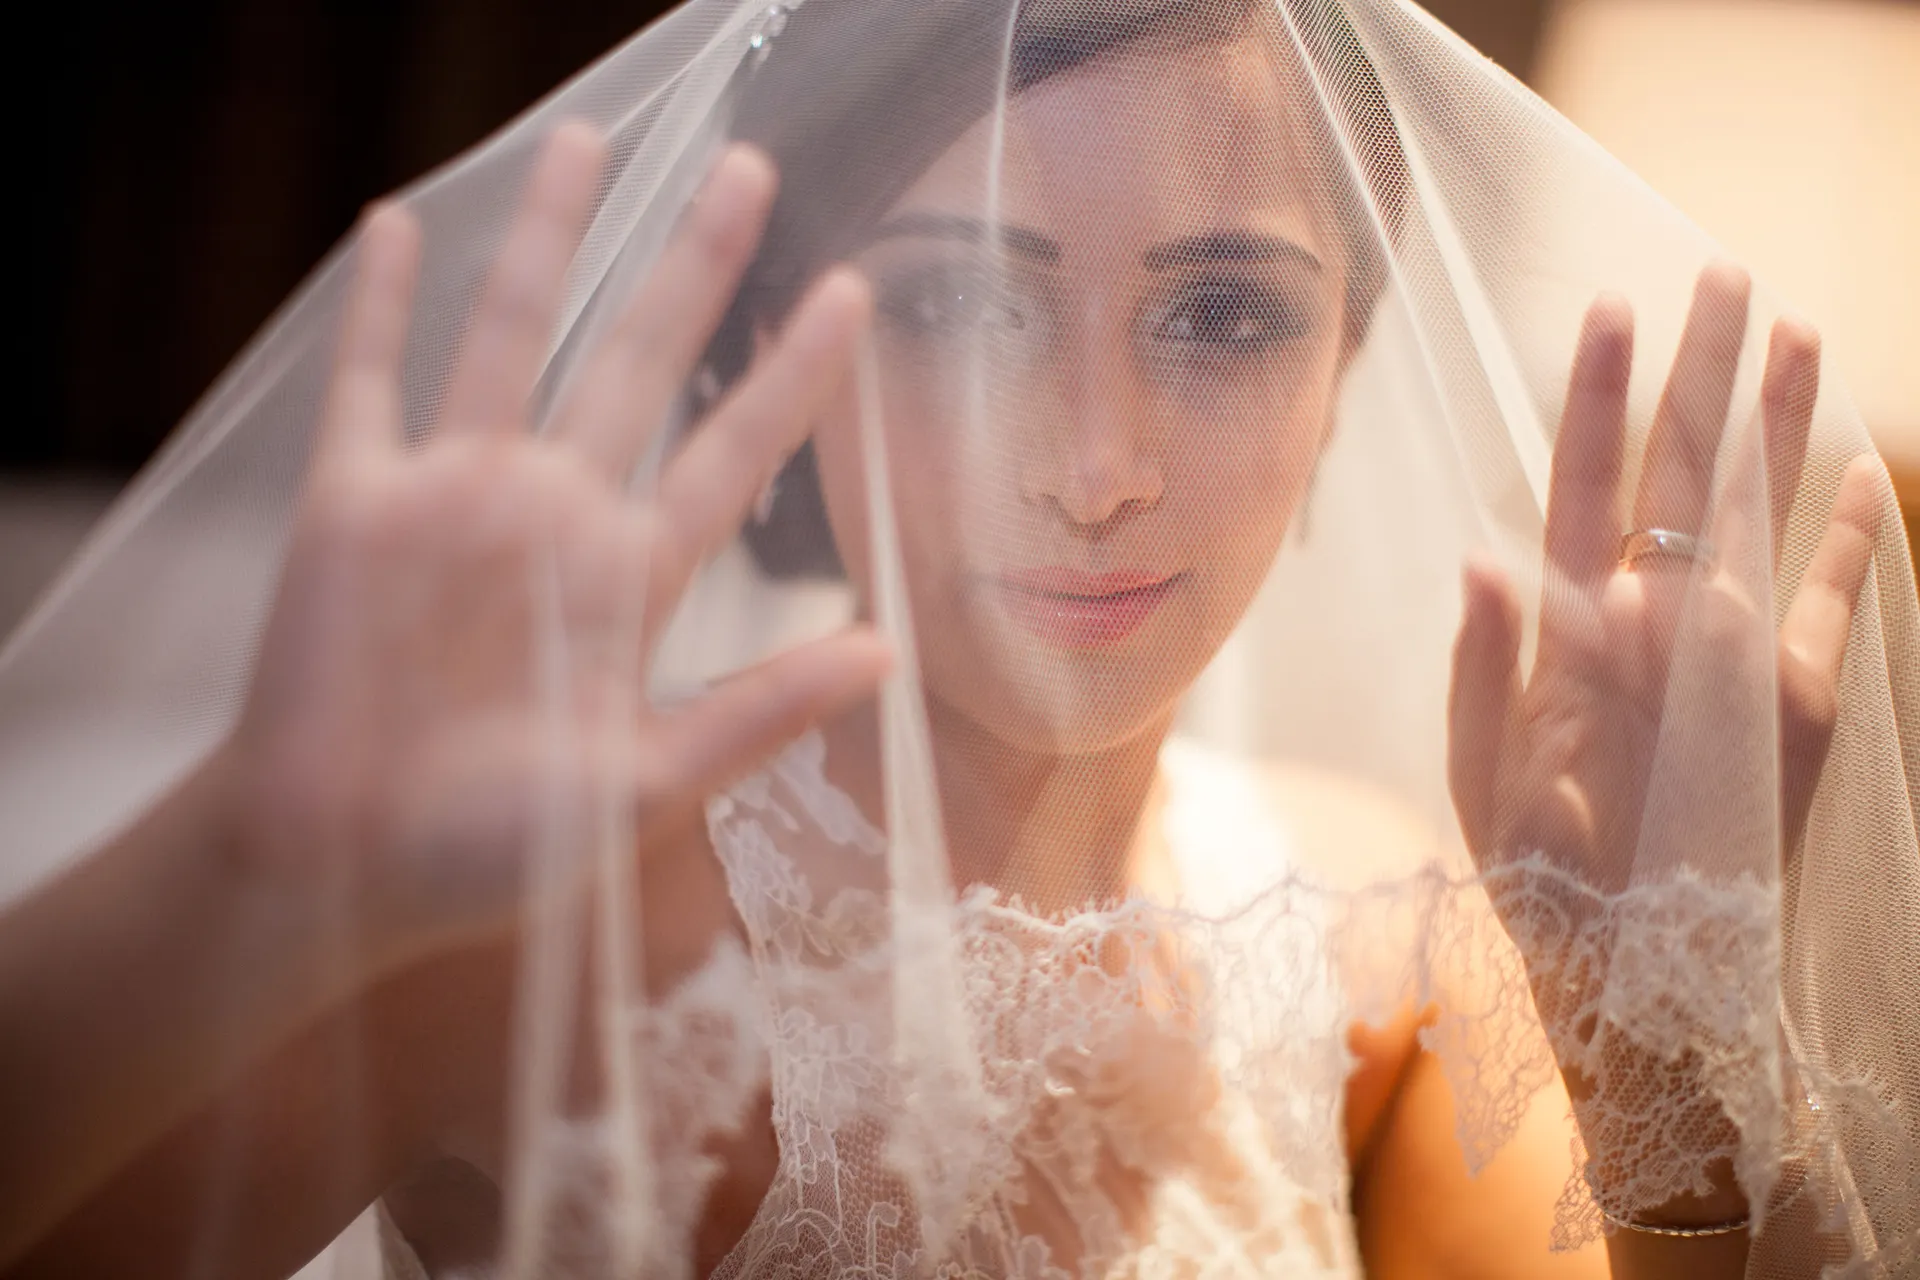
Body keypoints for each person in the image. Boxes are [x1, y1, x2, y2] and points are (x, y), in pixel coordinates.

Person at [1, 0, 1912, 1277]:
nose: (1094, 469)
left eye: (1223, 316)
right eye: (963, 308)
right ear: (779, 343)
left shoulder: (1375, 943)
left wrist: (1668, 1081)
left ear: (1343, 367)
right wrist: (235, 869)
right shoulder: (563, 931)